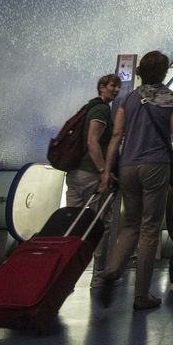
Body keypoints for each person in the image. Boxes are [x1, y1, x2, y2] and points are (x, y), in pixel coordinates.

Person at [97, 51, 173, 310]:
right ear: (164, 73)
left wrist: (107, 170)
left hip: (128, 164)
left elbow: (116, 134)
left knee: (130, 224)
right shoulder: (171, 98)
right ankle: (142, 295)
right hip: (156, 165)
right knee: (150, 228)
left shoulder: (129, 98)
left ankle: (111, 269)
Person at [65, 74, 121, 287]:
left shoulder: (87, 107)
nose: (115, 90)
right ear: (102, 87)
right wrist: (103, 171)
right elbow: (92, 141)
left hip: (75, 172)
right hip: (91, 174)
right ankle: (99, 275)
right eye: (112, 86)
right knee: (102, 223)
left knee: (74, 223)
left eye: (117, 87)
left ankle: (65, 276)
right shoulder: (102, 110)